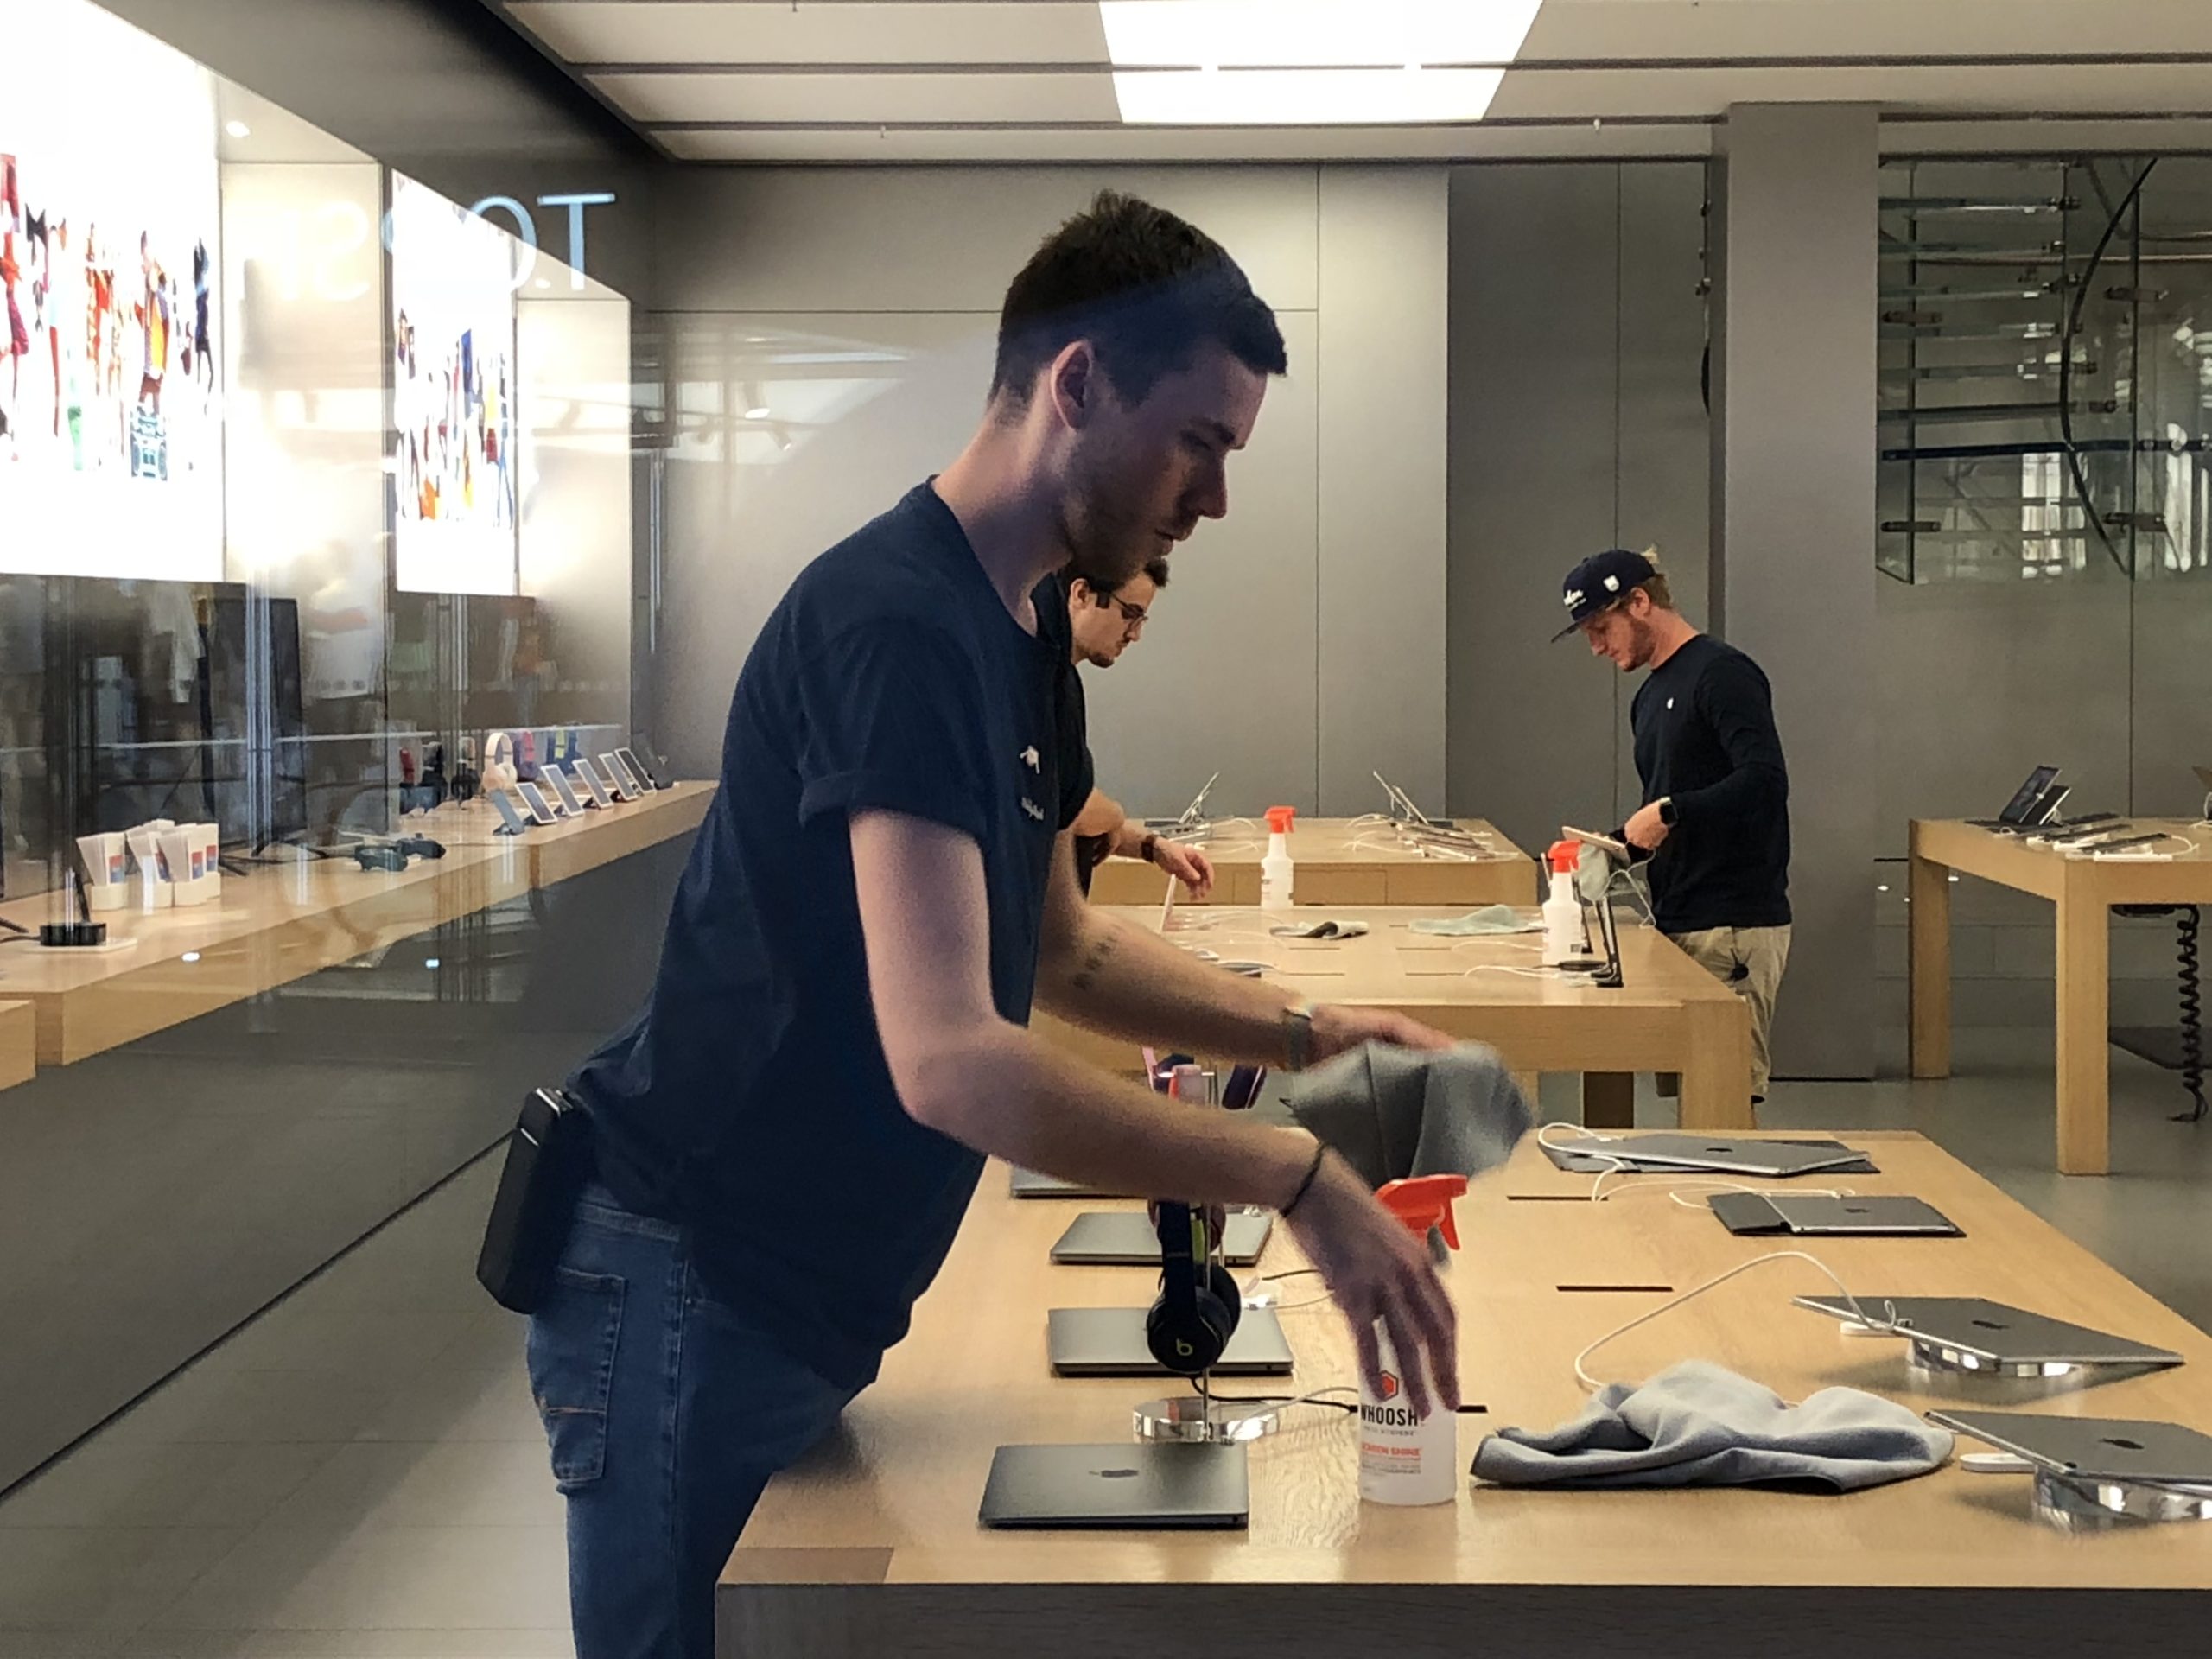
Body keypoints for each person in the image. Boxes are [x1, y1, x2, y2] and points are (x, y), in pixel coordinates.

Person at [531, 191, 1462, 1659]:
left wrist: (1307, 1031)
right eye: (1201, 444)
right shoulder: (891, 623)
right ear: (1080, 384)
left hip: (807, 1286)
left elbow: (1068, 953)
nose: (1212, 500)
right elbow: (953, 1060)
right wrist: (1293, 1175)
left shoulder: (1027, 629)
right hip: (689, 1277)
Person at [1555, 546, 1791, 1101]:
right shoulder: (1649, 696)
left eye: (1600, 628)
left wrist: (1670, 811)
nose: (1596, 647)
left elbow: (1764, 779)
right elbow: (1671, 808)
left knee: (1723, 1095)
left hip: (1731, 921)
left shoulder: (1722, 674)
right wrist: (1615, 847)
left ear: (1639, 602)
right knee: (1692, 1092)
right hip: (1679, 915)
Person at [1048, 553, 1216, 898]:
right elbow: (1061, 807)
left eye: (1142, 620)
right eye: (1130, 614)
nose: (1134, 635)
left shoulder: (1066, 686)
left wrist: (1152, 847)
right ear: (1081, 595)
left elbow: (1073, 808)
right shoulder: (1025, 685)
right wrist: (1112, 814)